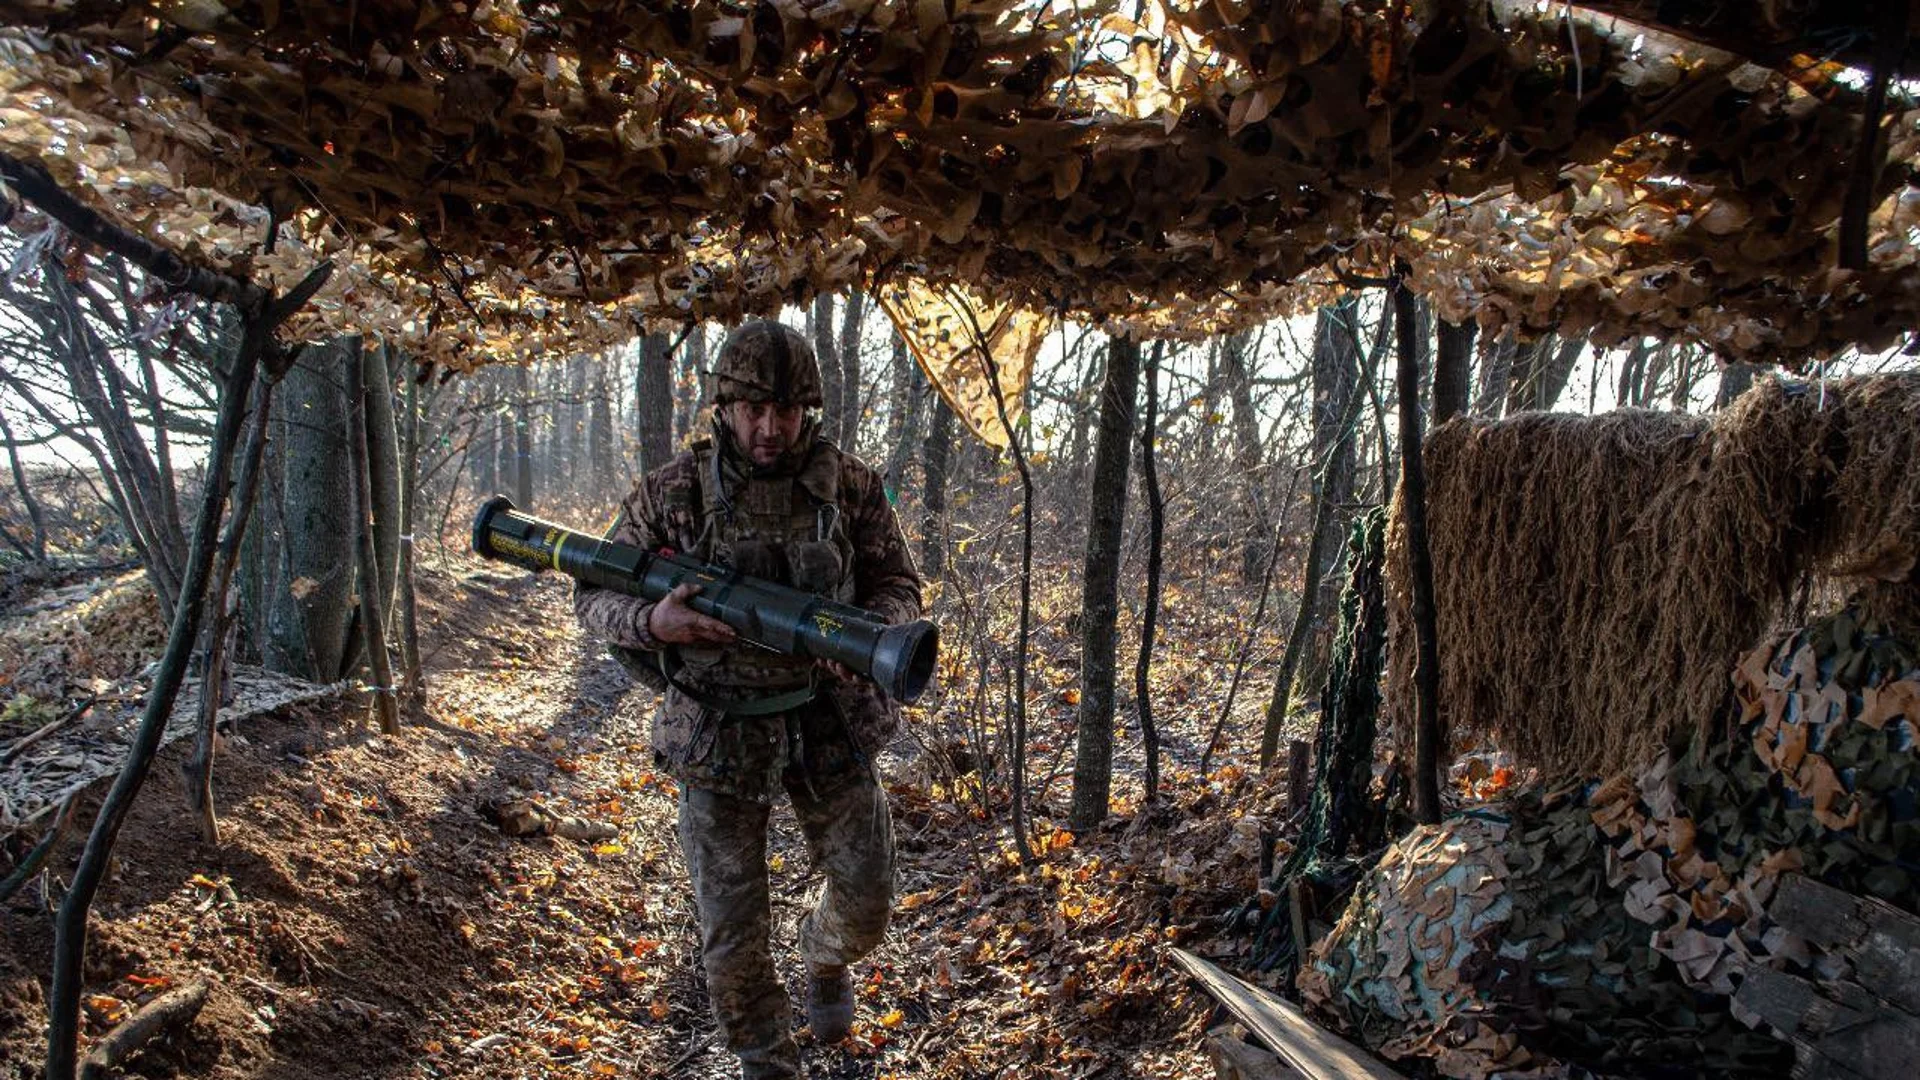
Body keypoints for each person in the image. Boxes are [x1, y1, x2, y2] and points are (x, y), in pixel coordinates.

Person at [573, 319, 923, 1080]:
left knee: (866, 901)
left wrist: (870, 639)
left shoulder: (852, 487)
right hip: (718, 728)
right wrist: (653, 623)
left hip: (825, 717)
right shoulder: (672, 494)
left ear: (810, 411)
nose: (771, 428)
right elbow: (594, 591)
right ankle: (768, 1062)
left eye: (789, 411)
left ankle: (823, 957)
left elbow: (900, 586)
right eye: (755, 409)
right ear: (724, 407)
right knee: (731, 940)